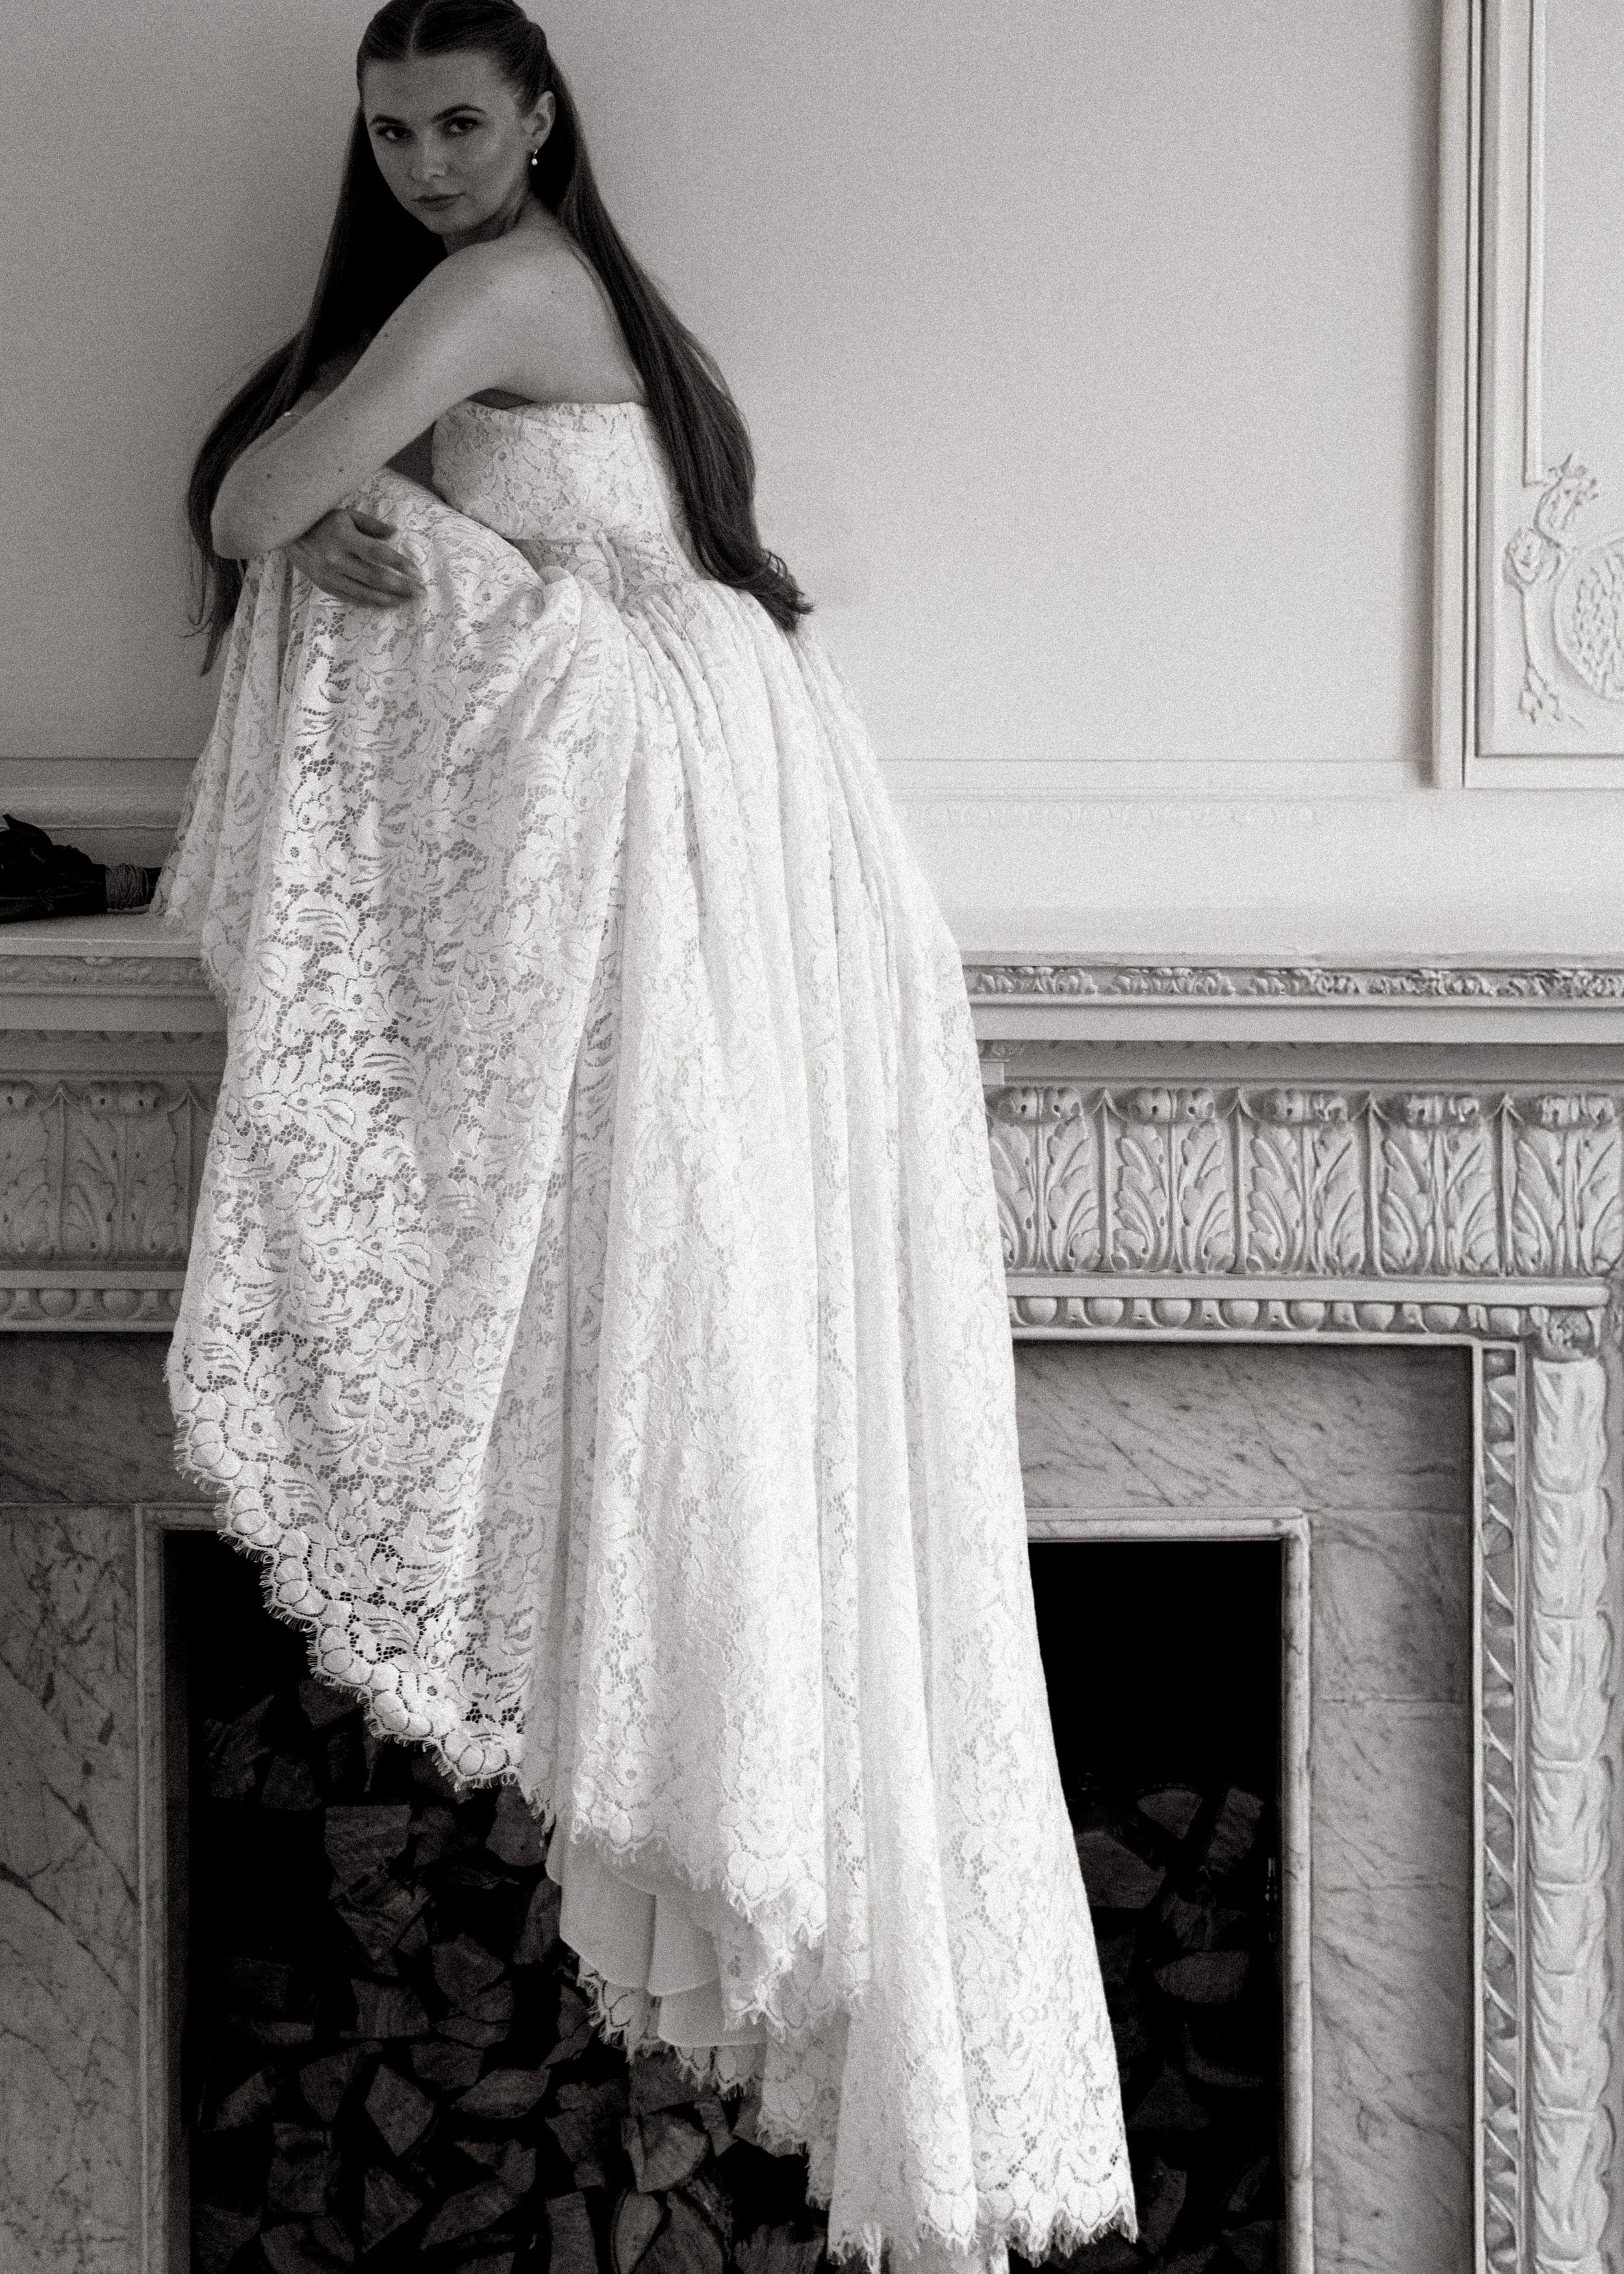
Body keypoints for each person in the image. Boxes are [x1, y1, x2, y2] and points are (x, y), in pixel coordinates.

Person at [160, 4, 1134, 2264]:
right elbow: (310, 503)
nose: (421, 162)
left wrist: (332, 524)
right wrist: (361, 528)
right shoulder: (545, 306)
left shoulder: (505, 288)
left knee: (652, 1305)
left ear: (540, 119)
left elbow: (239, 501)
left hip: (672, 826)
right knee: (701, 1324)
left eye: (458, 121)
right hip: (741, 825)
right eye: (390, 130)